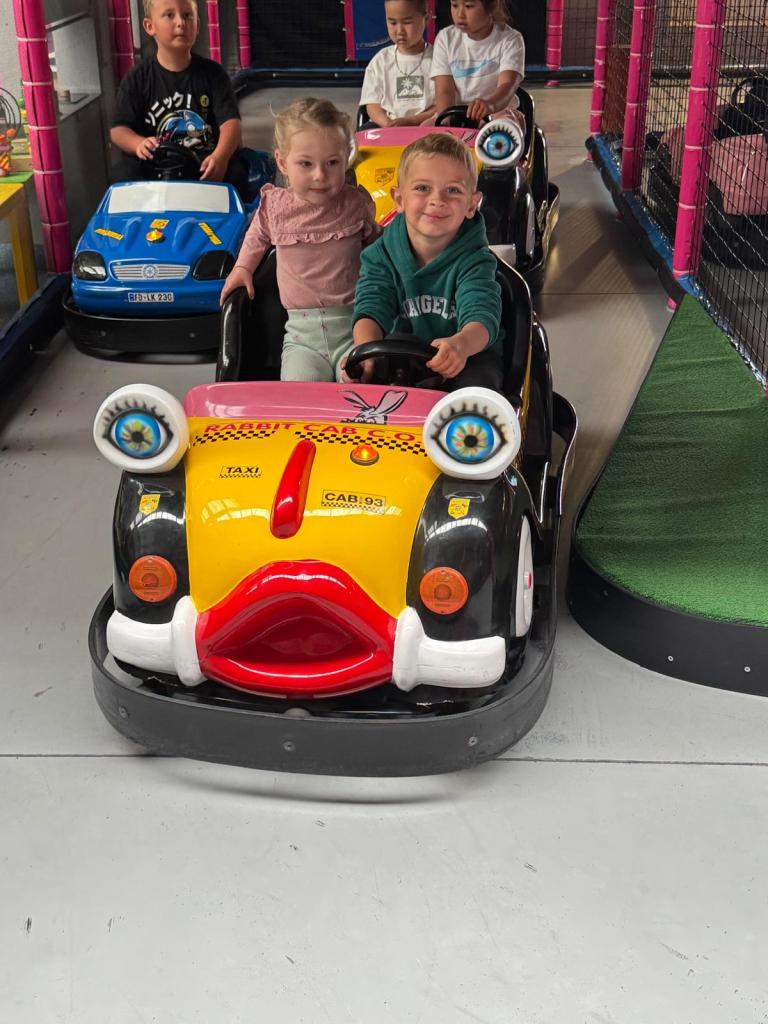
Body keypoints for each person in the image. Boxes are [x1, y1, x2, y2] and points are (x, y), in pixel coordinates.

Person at [219, 97, 379, 383]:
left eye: (332, 162)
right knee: (298, 389)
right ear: (282, 162)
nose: (320, 175)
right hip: (301, 339)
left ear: (346, 158)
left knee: (358, 387)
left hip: (355, 328)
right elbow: (257, 235)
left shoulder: (355, 203)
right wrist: (243, 268)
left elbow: (378, 247)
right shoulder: (276, 206)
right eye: (306, 163)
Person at [350, 132, 504, 392]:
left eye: (453, 190)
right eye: (422, 188)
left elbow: (481, 313)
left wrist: (461, 345)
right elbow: (372, 307)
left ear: (471, 205)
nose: (437, 200)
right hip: (404, 353)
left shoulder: (475, 260)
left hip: (468, 354)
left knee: (478, 387)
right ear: (399, 199)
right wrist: (366, 352)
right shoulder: (381, 254)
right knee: (366, 374)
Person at [110, 0, 244, 187]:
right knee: (122, 173)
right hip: (155, 168)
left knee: (238, 170)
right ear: (150, 26)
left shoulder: (214, 74)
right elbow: (118, 130)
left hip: (203, 166)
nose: (181, 22)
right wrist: (138, 143)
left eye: (187, 15)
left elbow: (231, 123)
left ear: (198, 25)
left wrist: (220, 157)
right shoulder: (137, 78)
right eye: (169, 15)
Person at [430, 0, 525, 125]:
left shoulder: (511, 40)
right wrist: (445, 121)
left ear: (492, 6)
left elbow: (508, 85)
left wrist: (490, 105)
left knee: (501, 129)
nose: (460, 14)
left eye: (468, 6)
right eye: (455, 5)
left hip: (498, 113)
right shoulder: (445, 38)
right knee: (426, 129)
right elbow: (444, 90)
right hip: (453, 113)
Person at [360, 0, 436, 128]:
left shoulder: (438, 58)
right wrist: (387, 123)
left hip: (425, 126)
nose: (400, 31)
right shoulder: (381, 60)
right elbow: (372, 104)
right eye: (393, 23)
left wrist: (412, 121)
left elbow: (442, 105)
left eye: (407, 22)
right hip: (388, 126)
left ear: (426, 18)